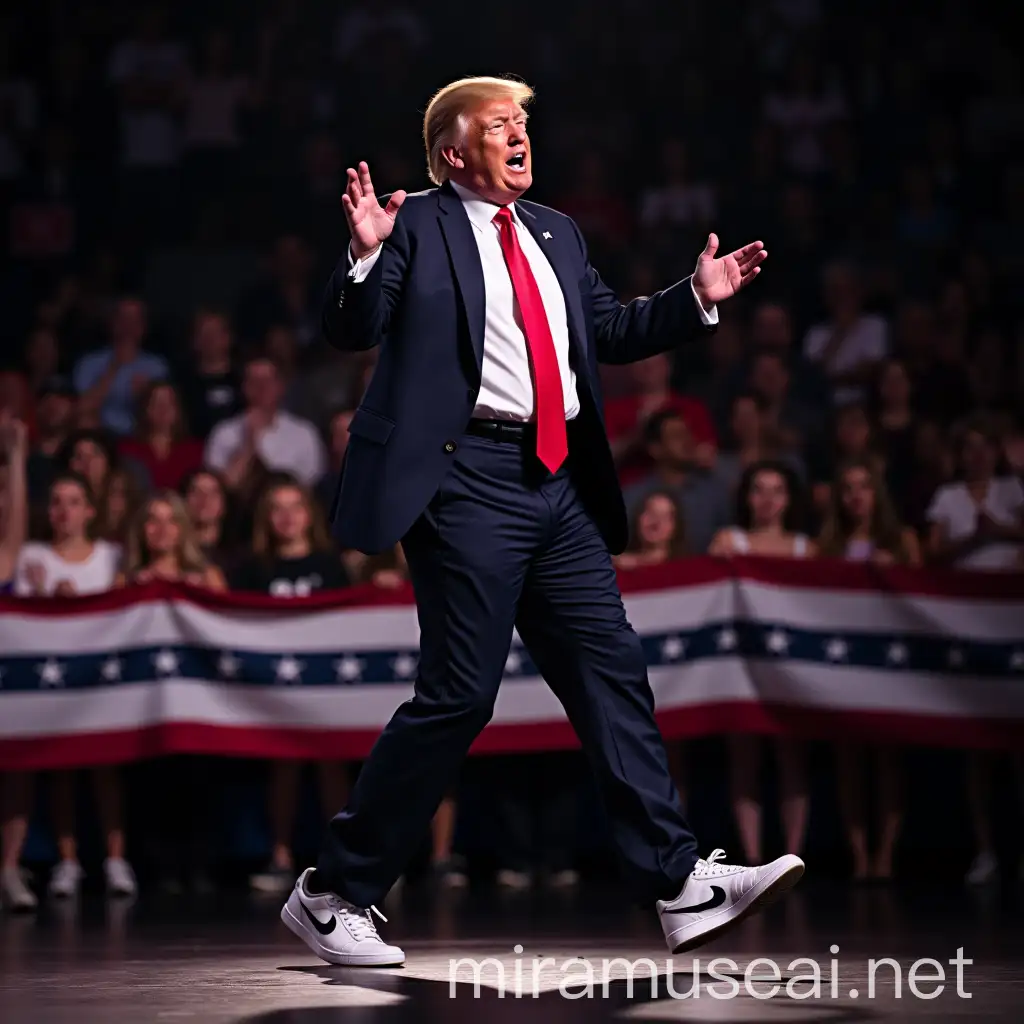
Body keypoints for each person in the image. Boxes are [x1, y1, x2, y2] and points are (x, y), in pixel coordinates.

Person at [279, 75, 802, 967]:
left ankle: (677, 882)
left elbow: (609, 328)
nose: (520, 135)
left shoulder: (556, 232)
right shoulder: (415, 224)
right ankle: (333, 891)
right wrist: (364, 254)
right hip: (465, 480)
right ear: (453, 152)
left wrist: (696, 295)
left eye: (523, 122)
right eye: (498, 125)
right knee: (460, 697)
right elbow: (352, 326)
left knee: (611, 671)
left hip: (557, 484)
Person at [13, 473, 135, 900]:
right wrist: (48, 593)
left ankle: (116, 860)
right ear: (49, 512)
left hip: (102, 681)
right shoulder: (32, 556)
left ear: (90, 510)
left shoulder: (109, 555)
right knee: (62, 769)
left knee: (107, 770)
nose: (65, 511)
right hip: (56, 687)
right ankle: (68, 863)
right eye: (57, 502)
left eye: (74, 501)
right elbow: (24, 623)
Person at [230, 476, 350, 893]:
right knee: (284, 766)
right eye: (276, 508)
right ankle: (280, 856)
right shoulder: (252, 567)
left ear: (308, 515)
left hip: (323, 689)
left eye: (294, 506)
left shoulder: (329, 565)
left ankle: (340, 861)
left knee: (331, 765)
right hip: (271, 691)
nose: (286, 517)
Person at [818, 458, 920, 880]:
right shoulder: (827, 546)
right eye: (848, 488)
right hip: (843, 664)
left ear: (877, 493)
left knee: (888, 759)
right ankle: (859, 856)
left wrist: (895, 569)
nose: (856, 496)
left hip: (889, 663)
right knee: (849, 761)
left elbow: (925, 595)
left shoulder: (903, 539)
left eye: (864, 486)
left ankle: (887, 855)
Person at [118, 491, 225, 894]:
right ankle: (158, 867)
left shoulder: (207, 576)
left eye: (170, 520)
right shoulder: (125, 580)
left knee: (199, 781)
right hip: (145, 707)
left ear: (183, 529)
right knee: (151, 783)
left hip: (200, 705)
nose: (161, 529)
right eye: (152, 520)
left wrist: (194, 593)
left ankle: (200, 865)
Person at [709, 461, 814, 864]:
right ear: (746, 496)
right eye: (759, 489)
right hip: (740, 671)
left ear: (789, 499)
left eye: (777, 490)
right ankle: (753, 861)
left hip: (790, 670)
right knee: (744, 759)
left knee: (792, 759)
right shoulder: (727, 541)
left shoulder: (806, 548)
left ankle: (793, 858)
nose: (767, 500)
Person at [0, 416, 35, 911]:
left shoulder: (5, 555)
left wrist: (16, 456)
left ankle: (8, 868)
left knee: (20, 765)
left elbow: (17, 522)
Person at [204, 356, 327, 493]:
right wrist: (248, 444)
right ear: (244, 387)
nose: (262, 387)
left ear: (281, 386)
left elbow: (310, 488)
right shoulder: (223, 432)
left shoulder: (304, 433)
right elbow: (221, 489)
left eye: (268, 380)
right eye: (254, 381)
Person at [621, 410, 732, 556]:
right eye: (676, 436)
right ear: (655, 449)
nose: (687, 441)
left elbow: (732, 540)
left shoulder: (714, 492)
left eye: (687, 433)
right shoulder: (632, 497)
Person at [926, 415, 1024, 571]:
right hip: (966, 585)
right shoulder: (947, 495)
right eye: (970, 447)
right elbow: (933, 550)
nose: (979, 454)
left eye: (986, 446)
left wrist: (998, 529)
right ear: (960, 455)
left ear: (997, 452)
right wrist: (972, 539)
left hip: (1010, 583)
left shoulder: (1012, 487)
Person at [71, 297, 169, 436]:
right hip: (100, 435)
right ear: (112, 323)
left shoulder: (156, 367)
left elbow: (164, 415)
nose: (128, 326)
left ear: (143, 327)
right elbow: (81, 409)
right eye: (123, 319)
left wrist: (143, 396)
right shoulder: (90, 362)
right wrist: (114, 366)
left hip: (140, 436)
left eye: (134, 320)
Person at [118, 381, 204, 490]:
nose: (163, 409)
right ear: (145, 409)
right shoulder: (128, 449)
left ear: (178, 409)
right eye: (156, 403)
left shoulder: (194, 450)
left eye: (169, 403)